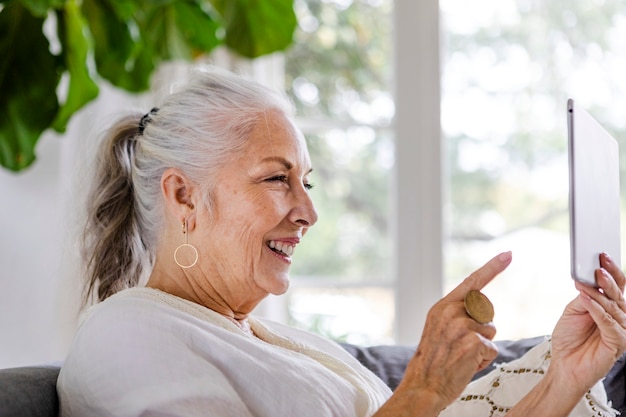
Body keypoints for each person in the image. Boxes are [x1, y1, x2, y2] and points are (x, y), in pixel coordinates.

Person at [57, 67, 626, 417]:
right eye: (277, 179)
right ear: (183, 196)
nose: (309, 212)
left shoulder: (270, 337)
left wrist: (567, 377)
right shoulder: (125, 336)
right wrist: (421, 391)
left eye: (306, 183)